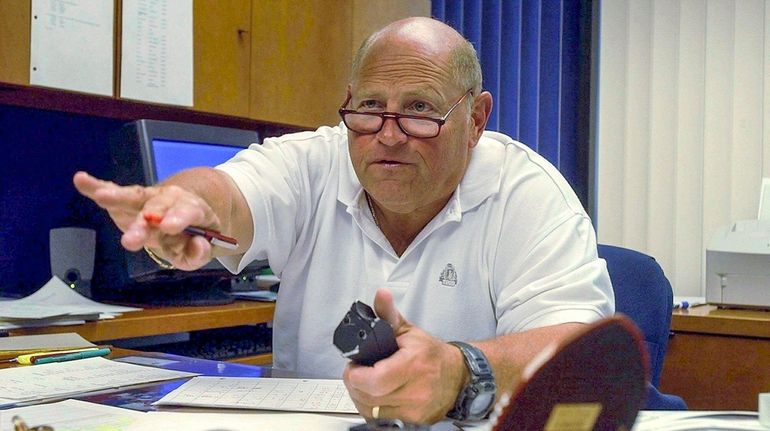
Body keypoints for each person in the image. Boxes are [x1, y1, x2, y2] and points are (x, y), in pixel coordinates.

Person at [74, 17, 613, 425]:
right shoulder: (314, 161)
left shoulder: (527, 193)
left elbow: (583, 348)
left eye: (420, 109)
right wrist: (184, 202)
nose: (389, 133)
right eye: (371, 106)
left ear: (474, 119)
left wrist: (460, 371)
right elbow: (229, 191)